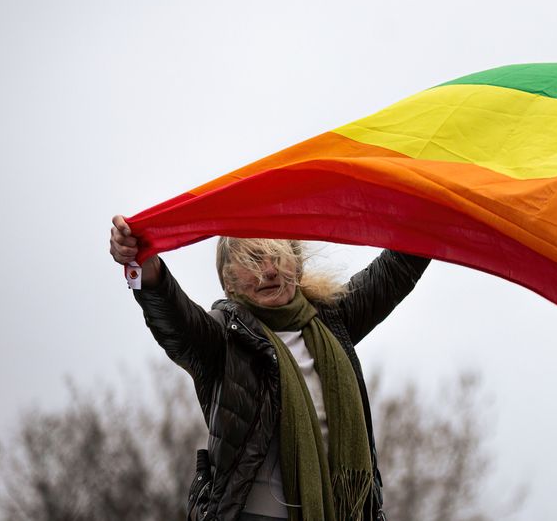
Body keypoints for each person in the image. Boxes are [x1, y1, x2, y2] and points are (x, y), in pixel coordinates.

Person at [109, 215, 430, 521]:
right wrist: (147, 270)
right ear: (228, 281)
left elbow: (397, 267)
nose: (269, 270)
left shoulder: (334, 320)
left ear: (297, 266)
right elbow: (176, 321)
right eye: (253, 260)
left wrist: (433, 206)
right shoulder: (222, 337)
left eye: (277, 257)